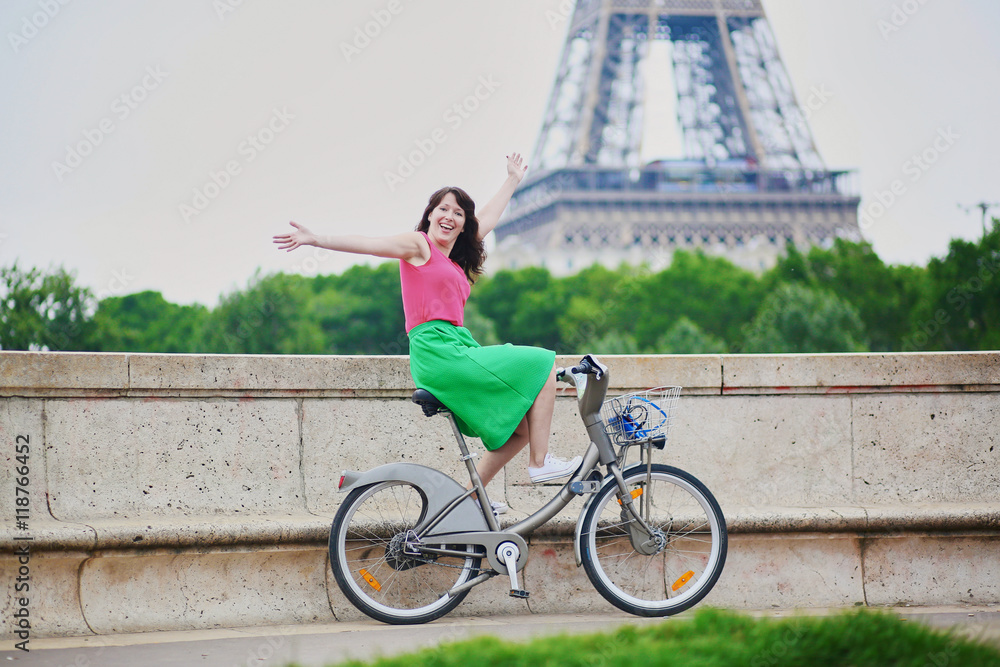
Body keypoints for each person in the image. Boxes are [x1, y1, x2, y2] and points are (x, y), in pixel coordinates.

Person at [273, 153, 582, 513]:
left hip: (457, 346)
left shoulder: (455, 261)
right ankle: (540, 464)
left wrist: (513, 179)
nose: (449, 217)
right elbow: (371, 243)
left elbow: (490, 220)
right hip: (438, 352)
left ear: (464, 224)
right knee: (542, 362)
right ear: (430, 214)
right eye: (443, 209)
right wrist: (315, 239)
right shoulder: (419, 246)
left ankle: (467, 501)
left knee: (520, 431)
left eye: (458, 213)